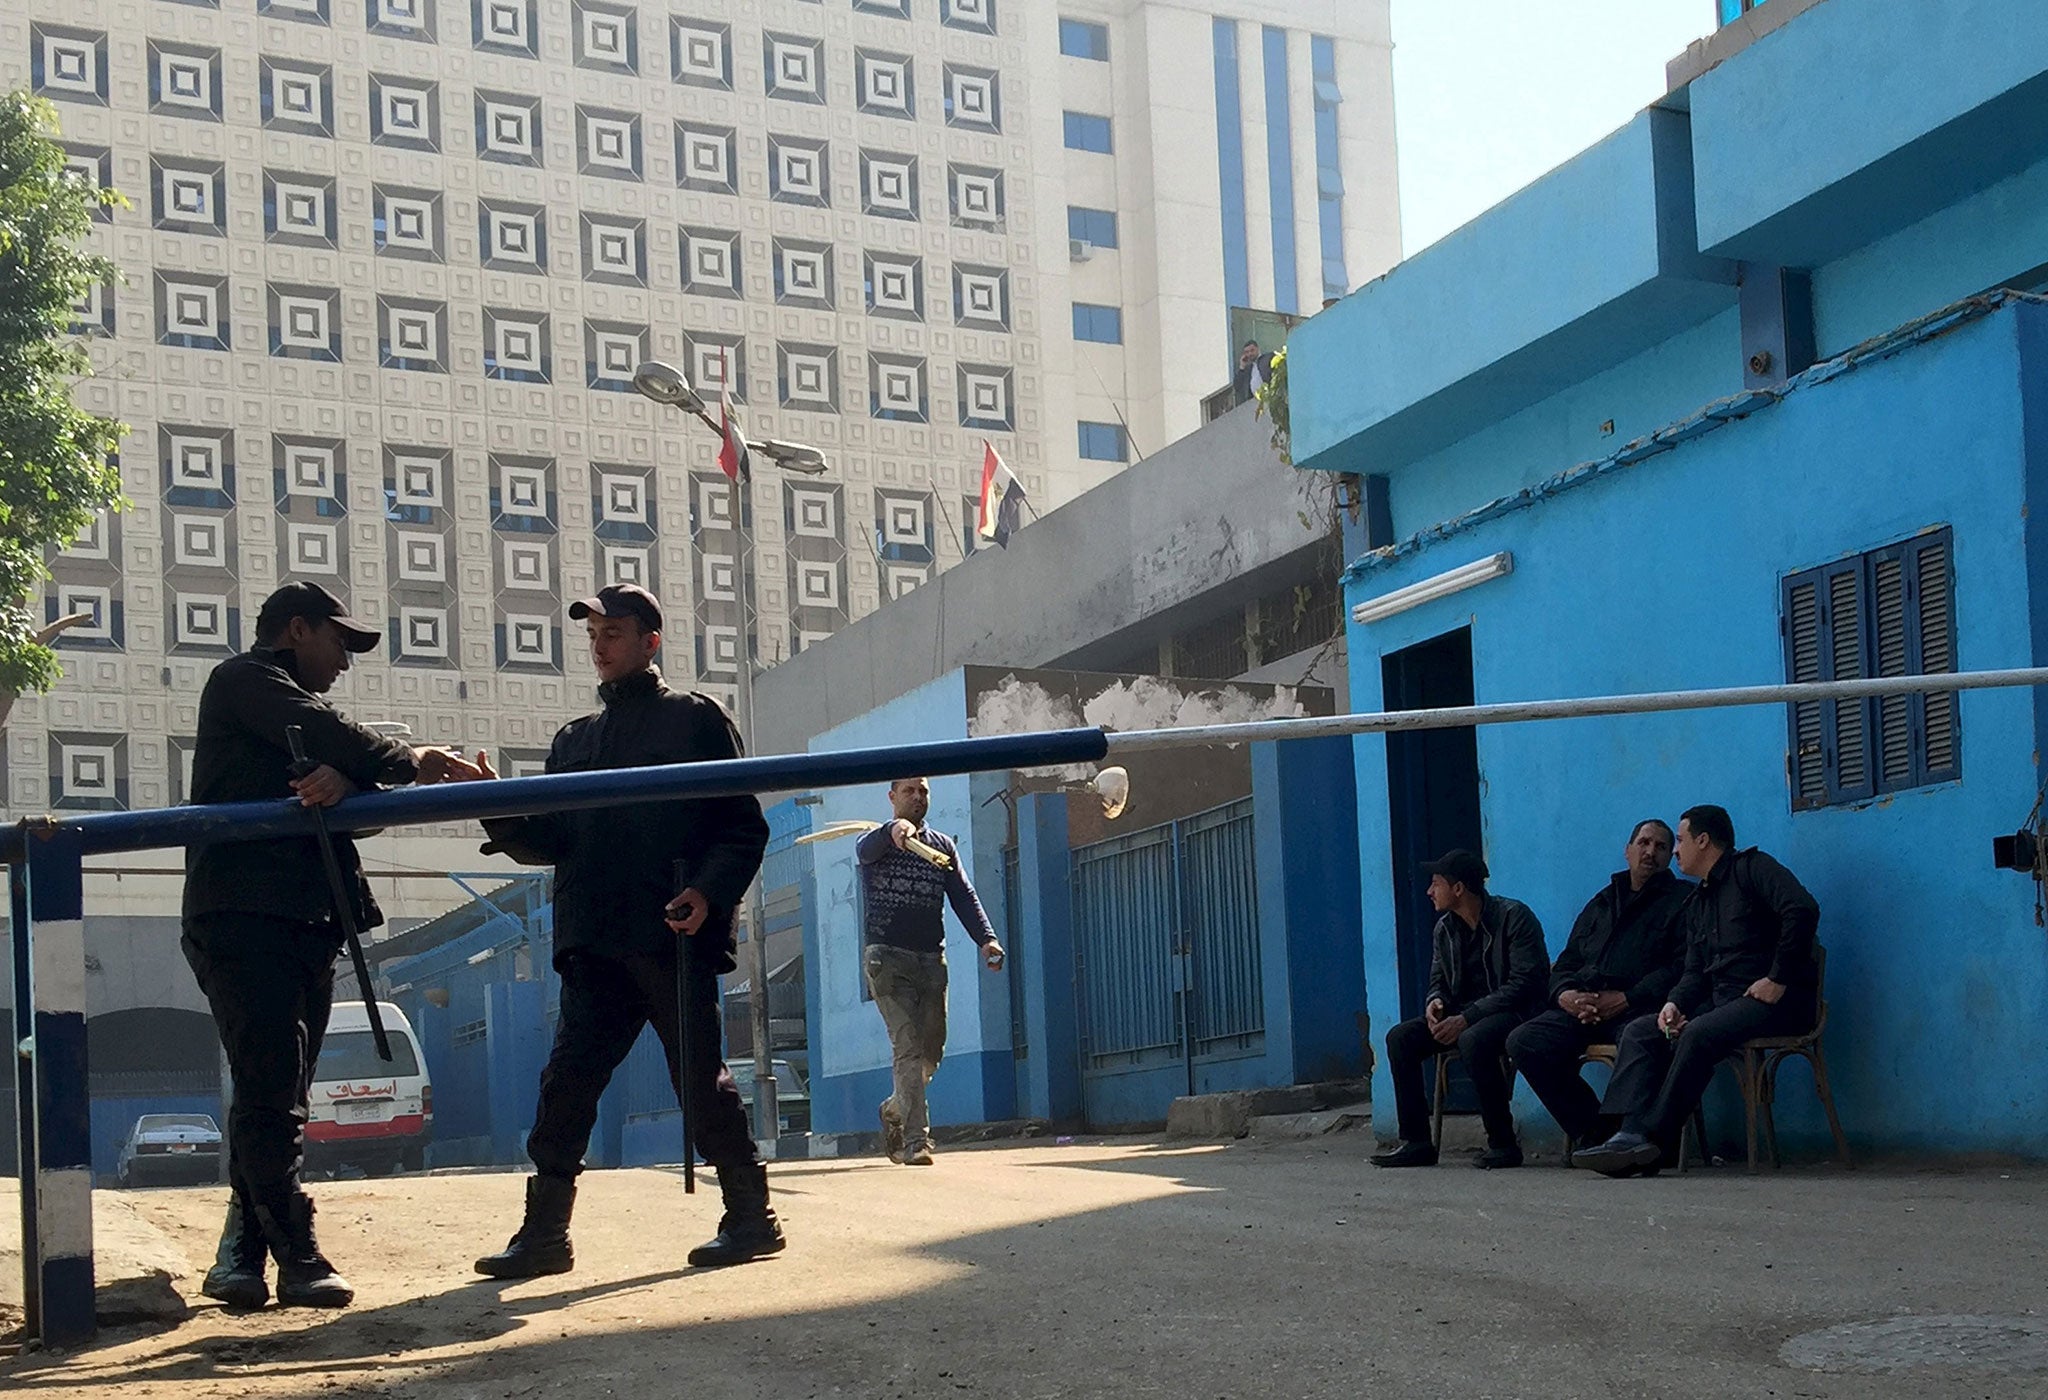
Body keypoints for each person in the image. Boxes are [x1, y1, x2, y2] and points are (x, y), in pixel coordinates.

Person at [466, 583, 777, 1275]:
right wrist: (497, 806)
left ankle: (753, 1218)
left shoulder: (696, 720)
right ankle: (544, 1236)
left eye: (613, 633)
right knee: (566, 1085)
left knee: (700, 1082)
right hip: (593, 942)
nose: (600, 646)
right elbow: (550, 839)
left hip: (670, 931)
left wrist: (707, 892)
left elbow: (741, 824)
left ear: (649, 642)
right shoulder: (573, 739)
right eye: (594, 635)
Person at [185, 581, 478, 1310]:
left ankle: (241, 1259)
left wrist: (349, 778)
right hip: (246, 918)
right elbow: (334, 736)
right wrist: (398, 758)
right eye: (338, 642)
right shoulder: (245, 679)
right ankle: (298, 1254)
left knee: (278, 1091)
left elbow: (337, 756)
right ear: (295, 631)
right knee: (269, 1091)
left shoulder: (285, 707)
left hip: (307, 921)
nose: (345, 660)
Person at [1574, 805, 1821, 1177]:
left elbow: (1802, 909)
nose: (1674, 851)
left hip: (1774, 1001)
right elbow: (1694, 971)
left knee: (1699, 1034)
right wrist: (1674, 1003)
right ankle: (1626, 1133)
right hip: (1724, 1003)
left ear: (1703, 841)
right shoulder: (1698, 901)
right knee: (1643, 1030)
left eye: (1681, 840)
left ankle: (1652, 1141)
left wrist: (1777, 978)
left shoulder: (1753, 869)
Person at [1505, 820, 1690, 1154]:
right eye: (1644, 843)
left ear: (1669, 856)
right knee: (1524, 1041)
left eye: (1661, 847)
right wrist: (1565, 996)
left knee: (1642, 1036)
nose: (1650, 852)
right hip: (1584, 1008)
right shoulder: (1602, 902)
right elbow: (1567, 961)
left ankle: (1633, 1137)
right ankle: (1595, 1132)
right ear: (1628, 850)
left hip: (1642, 1007)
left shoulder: (1682, 901)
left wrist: (1626, 998)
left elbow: (1682, 966)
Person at [858, 777, 1005, 1167]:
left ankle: (894, 1107)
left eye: (923, 791)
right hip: (886, 959)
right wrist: (894, 831)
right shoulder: (876, 842)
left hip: (929, 960)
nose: (918, 797)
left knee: (931, 1051)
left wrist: (986, 939)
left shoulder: (941, 847)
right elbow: (867, 848)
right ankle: (916, 1141)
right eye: (909, 791)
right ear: (892, 797)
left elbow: (963, 895)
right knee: (906, 1045)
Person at [1371, 850, 1549, 1170]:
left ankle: (1503, 1143)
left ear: (1458, 889)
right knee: (1401, 1038)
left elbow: (1524, 984)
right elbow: (1437, 979)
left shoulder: (1514, 917)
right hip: (1464, 1015)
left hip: (1519, 1013)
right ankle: (1417, 1142)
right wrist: (1435, 1004)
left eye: (1435, 883)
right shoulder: (1445, 929)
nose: (1429, 891)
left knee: (1473, 1039)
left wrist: (1467, 1017)